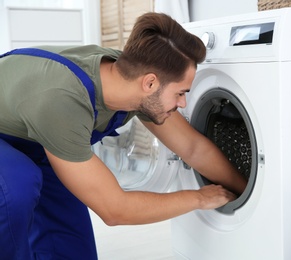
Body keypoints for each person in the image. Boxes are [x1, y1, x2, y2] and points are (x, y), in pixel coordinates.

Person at [0, 12, 247, 259]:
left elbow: (193, 148)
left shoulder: (129, 76)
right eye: (180, 93)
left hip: (41, 136)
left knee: (73, 251)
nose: (183, 103)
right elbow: (114, 210)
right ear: (150, 84)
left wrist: (249, 191)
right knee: (17, 187)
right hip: (18, 134)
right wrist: (199, 198)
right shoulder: (64, 102)